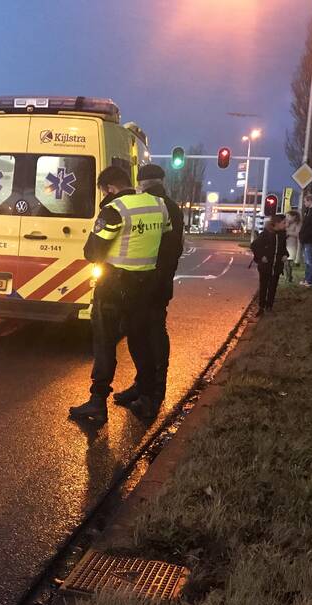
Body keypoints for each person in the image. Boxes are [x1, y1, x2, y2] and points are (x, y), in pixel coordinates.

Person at [69, 165, 170, 426]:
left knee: (104, 344)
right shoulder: (159, 206)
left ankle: (98, 402)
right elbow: (166, 239)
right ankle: (147, 400)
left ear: (110, 189)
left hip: (114, 288)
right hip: (144, 287)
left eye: (105, 191)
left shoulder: (115, 210)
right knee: (140, 342)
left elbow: (92, 252)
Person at [111, 164, 184, 418]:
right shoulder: (169, 206)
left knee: (147, 337)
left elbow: (167, 250)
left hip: (147, 284)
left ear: (141, 183)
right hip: (154, 283)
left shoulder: (158, 206)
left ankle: (152, 395)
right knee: (142, 335)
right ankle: (143, 387)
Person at [251, 214, 288, 315]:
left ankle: (269, 306)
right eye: (284, 223)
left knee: (273, 287)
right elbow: (254, 246)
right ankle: (261, 307)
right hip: (265, 267)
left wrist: (285, 255)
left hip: (276, 266)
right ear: (277, 223)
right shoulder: (266, 234)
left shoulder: (282, 235)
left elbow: (283, 248)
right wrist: (261, 256)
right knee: (263, 286)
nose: (286, 225)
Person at [284, 209, 302, 282]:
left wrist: (289, 233)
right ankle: (287, 276)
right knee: (285, 262)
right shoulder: (287, 223)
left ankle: (289, 277)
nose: (287, 217)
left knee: (288, 262)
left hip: (292, 245)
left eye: (288, 216)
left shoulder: (297, 224)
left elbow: (298, 234)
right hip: (286, 244)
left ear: (294, 217)